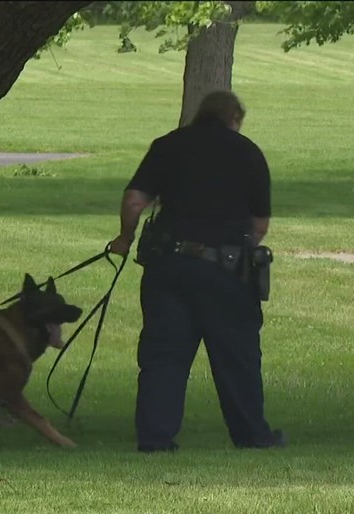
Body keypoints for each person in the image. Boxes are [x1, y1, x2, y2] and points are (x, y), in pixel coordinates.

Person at [107, 90, 286, 452]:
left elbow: (134, 200)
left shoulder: (168, 145)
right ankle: (252, 436)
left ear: (200, 115)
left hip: (168, 267)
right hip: (227, 270)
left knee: (164, 355)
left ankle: (155, 439)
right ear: (234, 118)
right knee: (237, 357)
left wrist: (125, 238)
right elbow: (260, 224)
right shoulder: (248, 152)